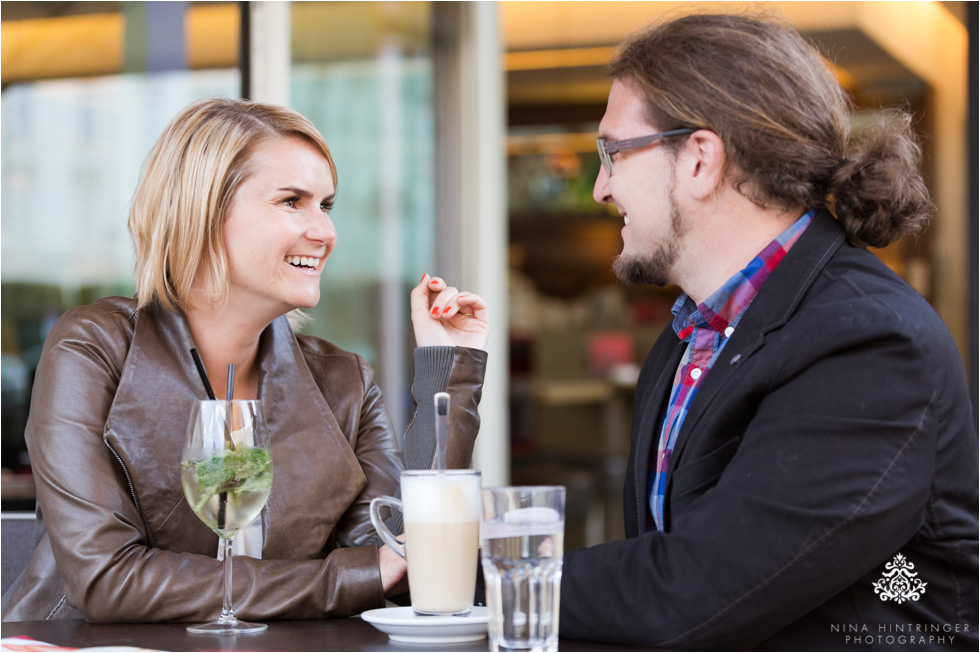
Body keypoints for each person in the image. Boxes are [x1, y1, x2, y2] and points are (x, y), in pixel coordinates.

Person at [558, 13, 978, 650]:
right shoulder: (691, 335)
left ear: (699, 159)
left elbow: (692, 591)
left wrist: (477, 571)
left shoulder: (869, 343)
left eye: (613, 153)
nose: (600, 188)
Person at [1, 98, 490, 623]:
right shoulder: (95, 347)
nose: (325, 234)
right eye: (291, 201)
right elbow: (106, 578)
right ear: (204, 211)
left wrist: (449, 369)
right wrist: (350, 576)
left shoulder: (343, 383)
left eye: (325, 205)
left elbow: (405, 557)